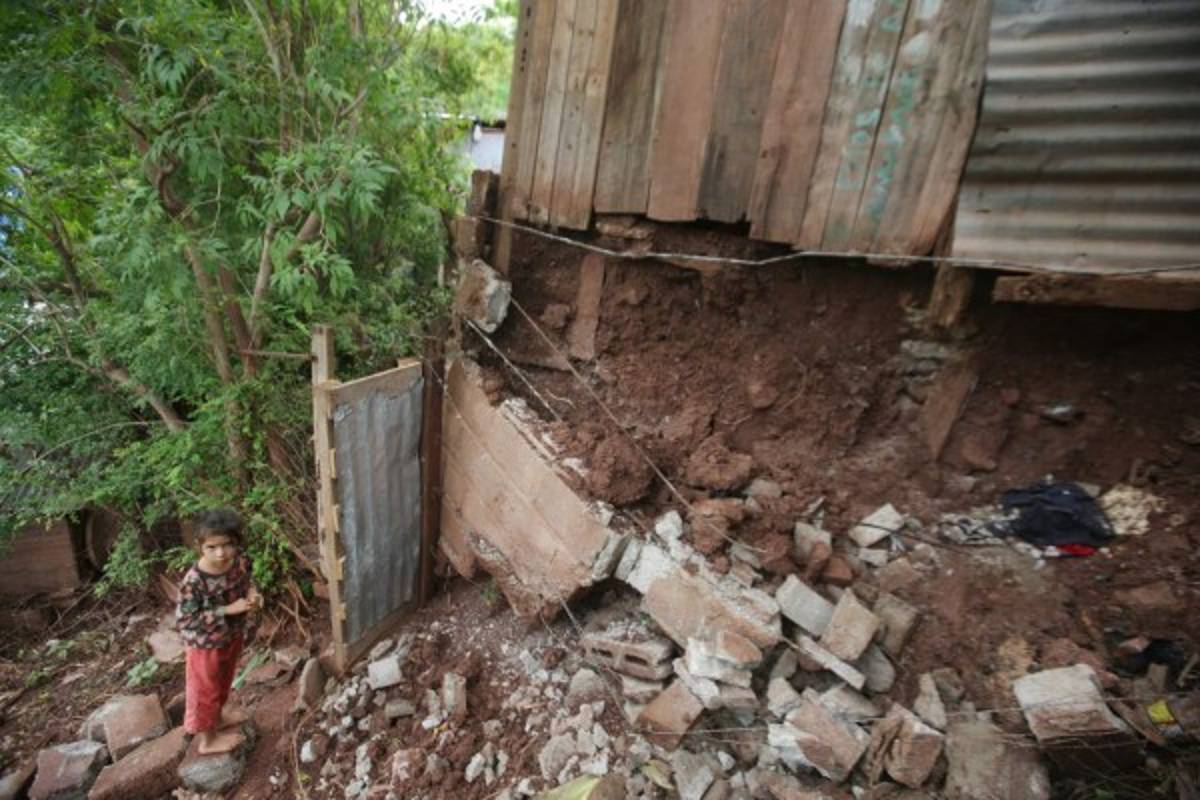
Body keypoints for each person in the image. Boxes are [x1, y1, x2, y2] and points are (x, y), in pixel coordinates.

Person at [176, 509, 262, 754]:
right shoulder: (194, 581)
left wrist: (252, 594)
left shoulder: (240, 561)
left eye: (227, 545)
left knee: (224, 681)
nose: (221, 553)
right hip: (203, 645)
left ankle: (219, 718)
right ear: (200, 546)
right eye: (212, 547)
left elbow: (249, 580)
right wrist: (227, 609)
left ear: (237, 543)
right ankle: (207, 741)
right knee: (205, 690)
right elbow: (187, 620)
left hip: (230, 636)